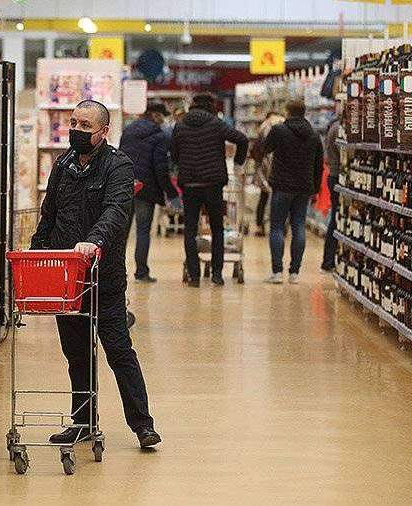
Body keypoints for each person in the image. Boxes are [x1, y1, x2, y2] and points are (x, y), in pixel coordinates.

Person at [30, 99, 161, 448]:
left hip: (104, 276)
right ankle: (83, 422)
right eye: (74, 123)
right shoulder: (63, 165)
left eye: (85, 126)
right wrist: (37, 252)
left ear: (103, 131)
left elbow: (116, 210)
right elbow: (49, 214)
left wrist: (94, 241)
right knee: (76, 353)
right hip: (67, 275)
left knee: (118, 349)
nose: (76, 130)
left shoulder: (119, 166)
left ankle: (142, 425)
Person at [170, 93, 249, 287]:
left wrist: (185, 163)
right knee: (217, 229)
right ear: (211, 105)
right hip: (213, 184)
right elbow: (242, 139)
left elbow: (174, 154)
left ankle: (194, 276)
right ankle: (217, 274)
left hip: (189, 184)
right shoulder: (216, 124)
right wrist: (238, 162)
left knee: (190, 230)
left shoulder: (180, 125)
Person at [261, 99, 324, 284]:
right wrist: (315, 188)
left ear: (287, 112)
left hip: (281, 185)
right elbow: (319, 164)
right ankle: (295, 272)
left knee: (277, 227)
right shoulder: (313, 135)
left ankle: (277, 272)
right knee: (299, 226)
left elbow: (265, 148)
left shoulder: (279, 130)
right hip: (303, 187)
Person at [119, 101, 179, 283]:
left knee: (122, 232)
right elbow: (160, 168)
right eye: (162, 116)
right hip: (146, 189)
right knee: (143, 230)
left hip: (125, 186)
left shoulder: (128, 131)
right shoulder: (158, 136)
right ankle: (141, 272)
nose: (163, 120)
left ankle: (117, 272)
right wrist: (171, 192)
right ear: (154, 115)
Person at [249, 111, 285, 236]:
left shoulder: (263, 127)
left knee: (263, 198)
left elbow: (256, 150)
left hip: (264, 168)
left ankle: (260, 226)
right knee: (281, 200)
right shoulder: (284, 125)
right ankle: (281, 226)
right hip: (281, 169)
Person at [320, 105, 344, 272]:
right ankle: (328, 261)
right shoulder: (338, 129)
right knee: (335, 219)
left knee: (336, 217)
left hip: (333, 175)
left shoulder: (333, 126)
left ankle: (330, 260)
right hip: (337, 176)